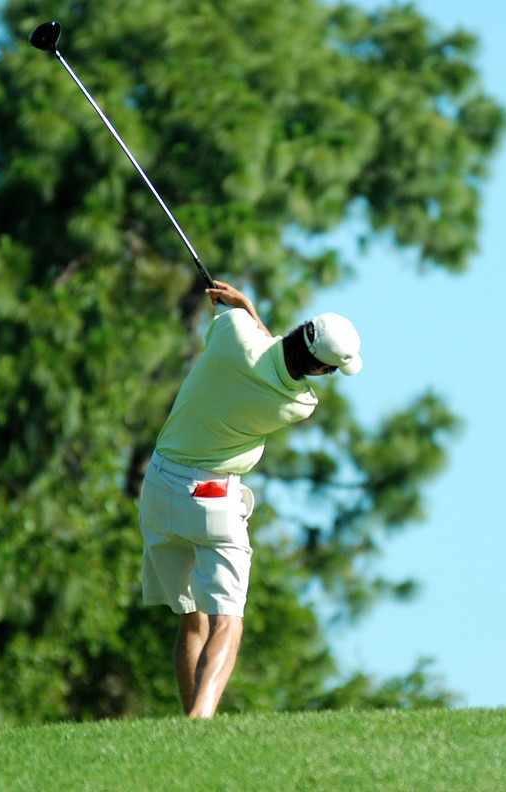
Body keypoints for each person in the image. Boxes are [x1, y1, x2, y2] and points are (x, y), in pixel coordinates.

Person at [139, 280, 362, 718]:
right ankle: (200, 721)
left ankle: (191, 731)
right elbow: (276, 358)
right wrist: (250, 310)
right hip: (211, 497)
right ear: (320, 370)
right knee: (227, 620)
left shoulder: (233, 332)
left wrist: (242, 307)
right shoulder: (299, 404)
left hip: (158, 487)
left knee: (191, 617)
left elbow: (256, 342)